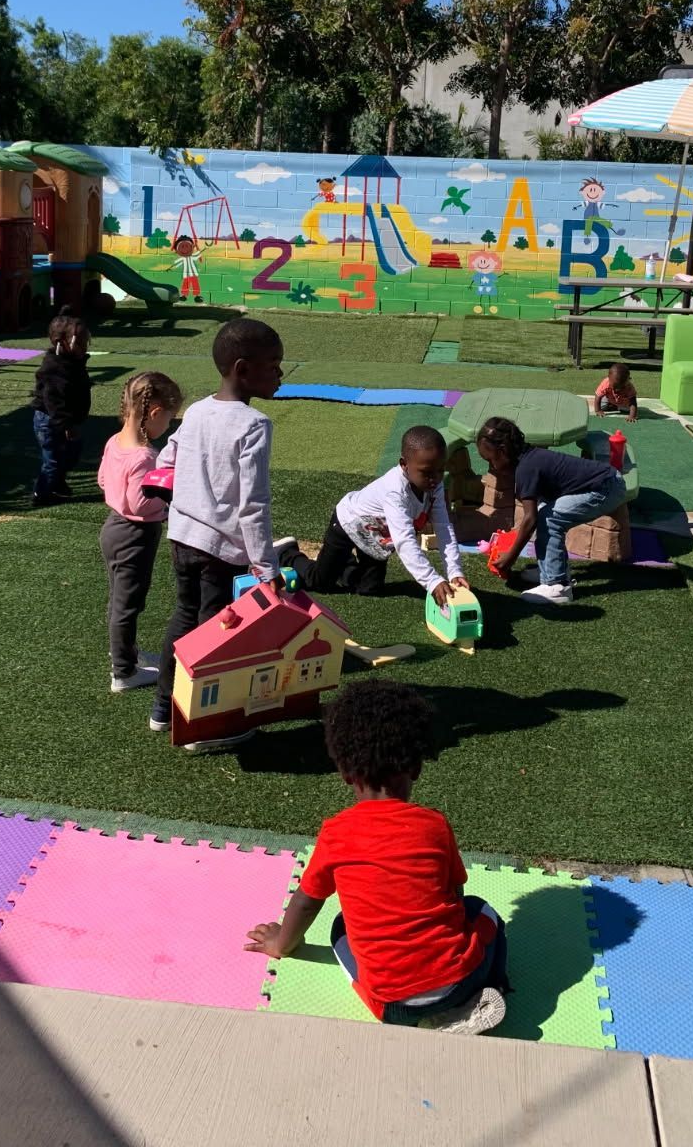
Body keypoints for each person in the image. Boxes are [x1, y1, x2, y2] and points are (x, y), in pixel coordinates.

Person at [245, 680, 509, 1035]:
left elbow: (307, 901)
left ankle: (438, 1014)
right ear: (416, 767)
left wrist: (281, 943)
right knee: (483, 910)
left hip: (390, 1006)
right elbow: (455, 898)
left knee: (341, 926)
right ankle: (487, 993)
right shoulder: (434, 825)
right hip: (457, 982)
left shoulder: (336, 833)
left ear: (344, 773)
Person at [149, 317, 285, 745]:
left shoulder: (197, 411)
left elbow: (164, 461)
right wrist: (266, 567)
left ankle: (162, 710)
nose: (280, 374)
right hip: (219, 550)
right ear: (243, 369)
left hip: (182, 537)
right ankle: (197, 725)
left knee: (185, 617)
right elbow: (252, 504)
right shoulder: (253, 425)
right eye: (274, 365)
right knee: (212, 635)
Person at [279, 427, 467, 608]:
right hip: (347, 524)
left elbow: (444, 527)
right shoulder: (395, 492)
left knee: (369, 589)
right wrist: (432, 581)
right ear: (404, 465)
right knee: (319, 582)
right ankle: (287, 554)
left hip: (374, 537)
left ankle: (343, 562)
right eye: (426, 472)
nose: (435, 478)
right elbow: (404, 541)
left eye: (440, 470)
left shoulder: (435, 486)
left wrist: (454, 571)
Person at [477, 416, 627, 605]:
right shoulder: (527, 459)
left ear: (504, 450)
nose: (491, 466)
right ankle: (551, 568)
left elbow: (530, 519)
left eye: (491, 459)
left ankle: (558, 585)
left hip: (607, 486)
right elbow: (533, 513)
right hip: (605, 482)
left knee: (549, 518)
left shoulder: (526, 468)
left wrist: (511, 556)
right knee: (544, 511)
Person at [97, 370, 184, 694]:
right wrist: (164, 500)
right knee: (127, 604)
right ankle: (124, 672)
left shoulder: (114, 442)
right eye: (169, 421)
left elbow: (103, 481)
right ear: (155, 413)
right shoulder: (145, 456)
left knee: (119, 599)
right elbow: (138, 502)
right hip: (134, 535)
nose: (168, 428)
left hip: (113, 529)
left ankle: (127, 652)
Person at [30, 310, 91, 507]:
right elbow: (53, 400)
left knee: (72, 451)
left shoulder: (73, 362)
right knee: (53, 459)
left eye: (85, 342)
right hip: (50, 420)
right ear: (61, 343)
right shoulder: (55, 368)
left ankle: (57, 482)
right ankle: (42, 494)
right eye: (79, 343)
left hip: (66, 419)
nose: (84, 347)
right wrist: (65, 424)